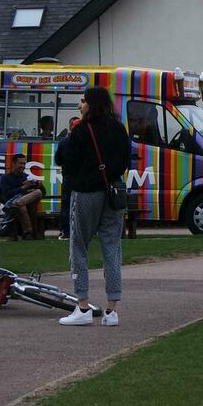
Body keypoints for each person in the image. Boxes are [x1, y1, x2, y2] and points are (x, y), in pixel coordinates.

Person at [55, 87, 131, 327]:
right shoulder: (119, 129)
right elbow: (125, 160)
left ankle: (83, 306)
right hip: (113, 194)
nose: (80, 105)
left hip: (87, 192)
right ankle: (112, 311)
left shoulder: (81, 131)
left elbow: (63, 158)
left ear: (91, 104)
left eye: (82, 101)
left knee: (78, 246)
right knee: (112, 248)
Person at [0, 153, 46, 240]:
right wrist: (23, 188)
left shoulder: (27, 177)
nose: (23, 166)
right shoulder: (5, 178)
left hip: (24, 204)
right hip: (11, 203)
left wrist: (39, 185)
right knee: (22, 207)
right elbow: (7, 195)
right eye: (20, 163)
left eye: (24, 164)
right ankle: (29, 233)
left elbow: (43, 193)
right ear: (13, 164)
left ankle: (28, 233)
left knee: (37, 192)